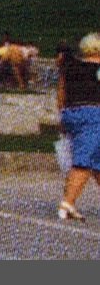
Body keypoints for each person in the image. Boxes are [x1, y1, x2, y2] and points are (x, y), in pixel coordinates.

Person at [53, 32, 100, 222]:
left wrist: (63, 117)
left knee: (97, 160)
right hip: (93, 115)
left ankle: (69, 200)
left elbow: (61, 95)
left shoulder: (70, 67)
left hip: (70, 113)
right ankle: (67, 202)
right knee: (84, 160)